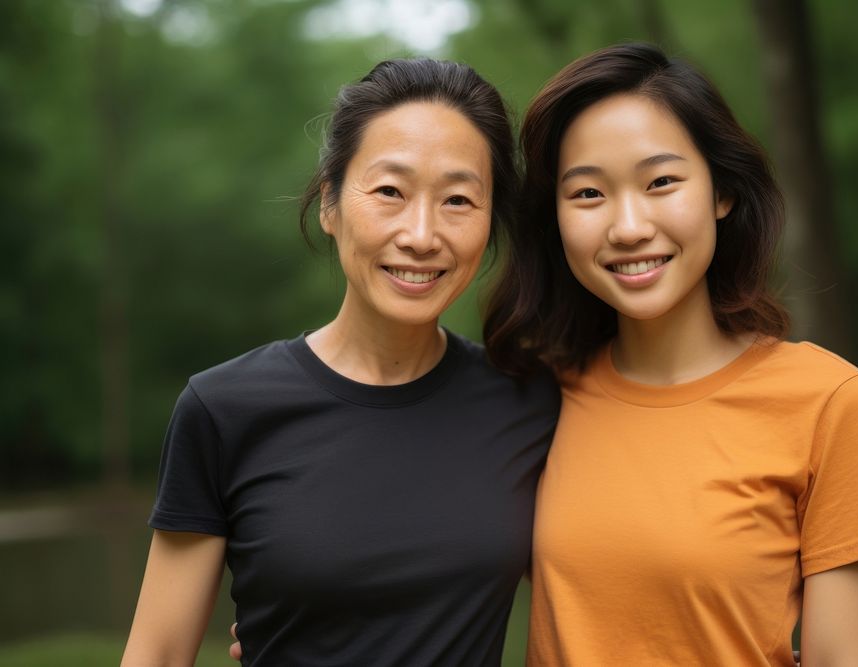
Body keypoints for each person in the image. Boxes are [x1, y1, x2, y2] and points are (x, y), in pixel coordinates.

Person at [484, 43, 858, 666]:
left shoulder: (829, 403)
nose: (628, 226)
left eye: (661, 182)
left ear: (723, 191)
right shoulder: (536, 393)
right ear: (554, 219)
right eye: (587, 194)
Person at [121, 57, 559, 667]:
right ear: (330, 203)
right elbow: (158, 655)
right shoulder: (224, 409)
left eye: (458, 199)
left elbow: (607, 598)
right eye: (389, 192)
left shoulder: (530, 404)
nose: (422, 234)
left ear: (490, 225)